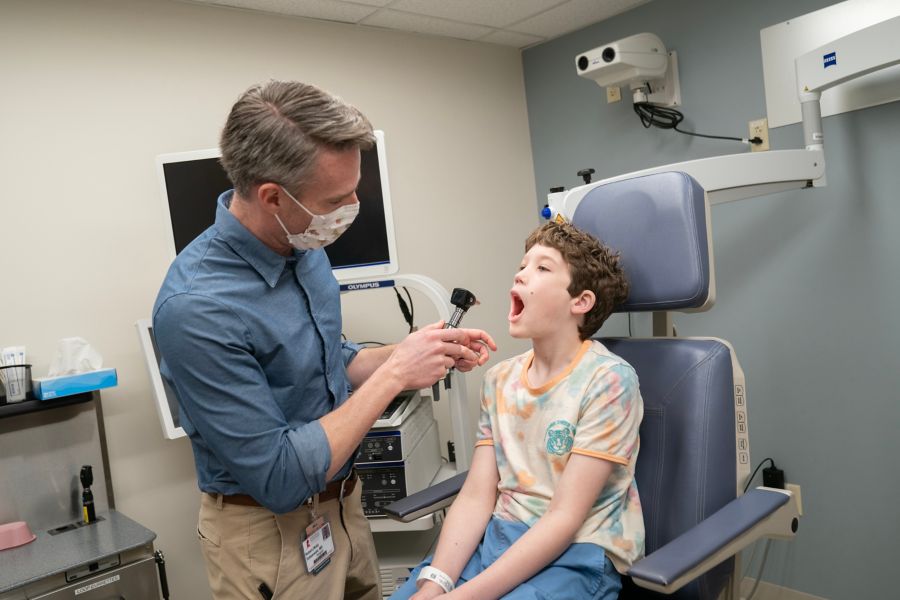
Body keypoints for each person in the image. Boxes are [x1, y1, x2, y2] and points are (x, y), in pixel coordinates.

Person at [152, 80, 496, 600]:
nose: (352, 206)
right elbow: (281, 476)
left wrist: (404, 353)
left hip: (342, 507)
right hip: (269, 534)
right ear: (272, 197)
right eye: (336, 199)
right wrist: (397, 375)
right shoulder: (196, 308)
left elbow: (327, 357)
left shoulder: (302, 245)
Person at [391, 220, 643, 600]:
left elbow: (565, 517)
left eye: (542, 268)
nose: (522, 274)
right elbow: (477, 497)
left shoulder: (608, 381)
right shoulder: (500, 379)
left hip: (575, 553)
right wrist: (435, 584)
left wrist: (461, 597)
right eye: (523, 265)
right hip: (499, 537)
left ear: (581, 302)